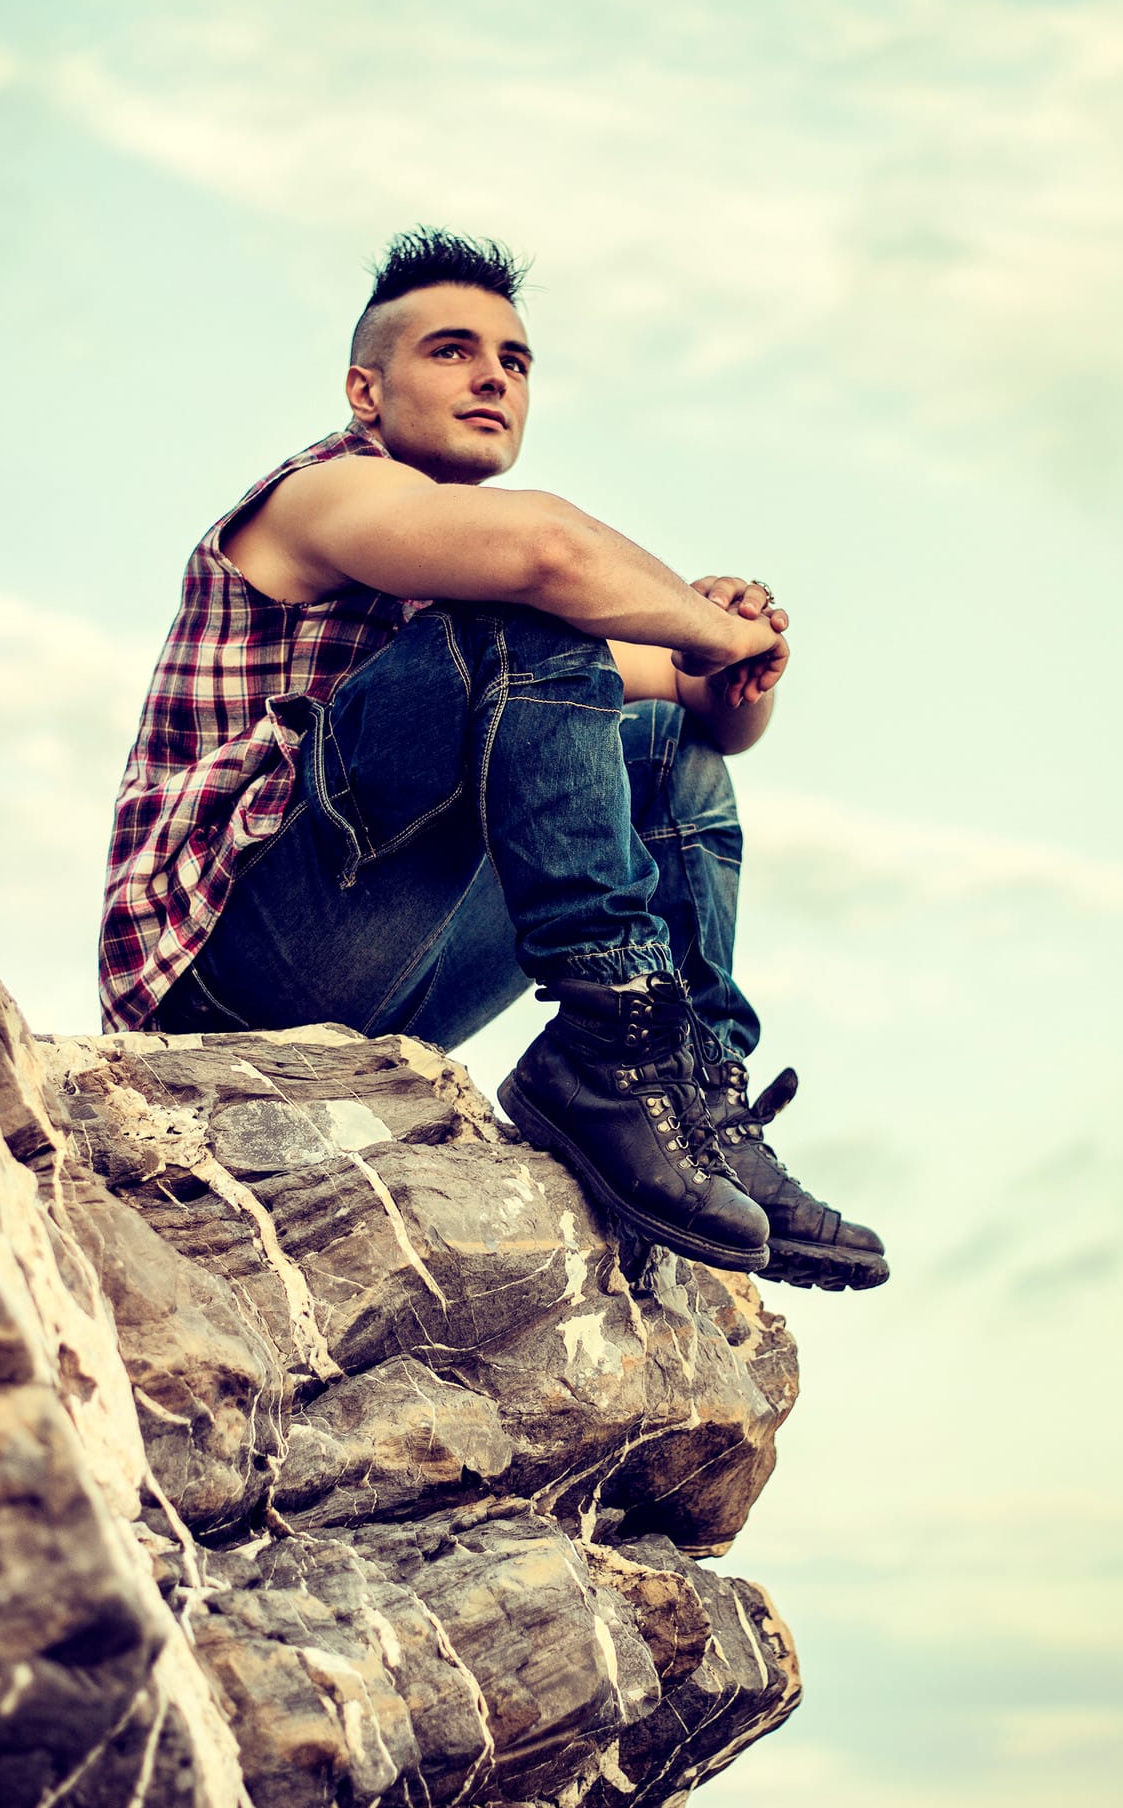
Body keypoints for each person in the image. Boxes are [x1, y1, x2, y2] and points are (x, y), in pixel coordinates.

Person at [98, 227, 886, 1293]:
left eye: (514, 360)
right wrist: (702, 623)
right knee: (530, 615)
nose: (493, 378)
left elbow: (707, 716)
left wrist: (737, 653)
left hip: (376, 971)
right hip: (219, 980)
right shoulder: (321, 496)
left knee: (652, 743)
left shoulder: (495, 624)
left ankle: (692, 1094)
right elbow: (547, 555)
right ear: (365, 390)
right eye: (452, 351)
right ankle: (611, 1021)